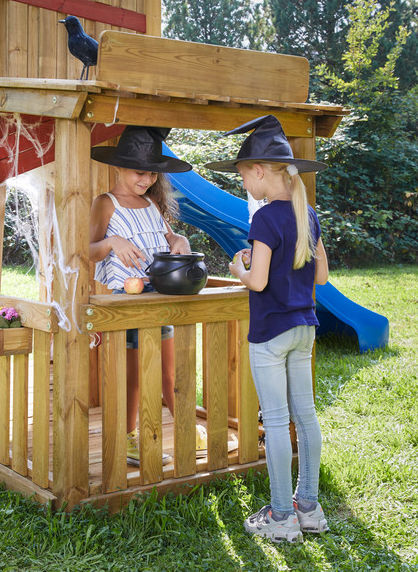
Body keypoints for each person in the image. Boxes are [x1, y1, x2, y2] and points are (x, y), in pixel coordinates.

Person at [208, 115, 330, 543]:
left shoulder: (263, 219)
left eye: (243, 175)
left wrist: (237, 267)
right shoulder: (307, 213)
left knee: (276, 423)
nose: (244, 184)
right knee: (306, 416)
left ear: (259, 170)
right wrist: (263, 260)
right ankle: (309, 509)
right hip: (305, 328)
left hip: (270, 334)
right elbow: (321, 278)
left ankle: (280, 517)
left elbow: (257, 281)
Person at [89, 125, 194, 466]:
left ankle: (186, 430)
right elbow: (86, 251)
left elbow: (169, 237)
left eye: (151, 173)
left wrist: (180, 242)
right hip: (129, 300)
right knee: (134, 373)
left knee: (168, 370)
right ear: (118, 167)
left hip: (159, 296)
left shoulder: (150, 202)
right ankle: (129, 438)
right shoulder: (105, 203)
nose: (147, 179)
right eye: (139, 171)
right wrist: (111, 243)